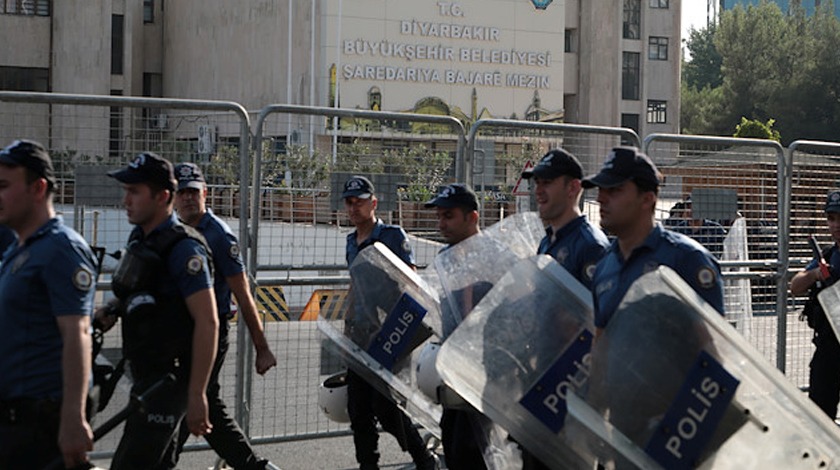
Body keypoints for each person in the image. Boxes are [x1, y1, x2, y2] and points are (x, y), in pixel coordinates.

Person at [103, 152, 219, 469]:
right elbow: (140, 289)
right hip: (145, 374)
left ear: (162, 196)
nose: (126, 200)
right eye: (125, 191)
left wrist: (197, 395)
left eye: (134, 192)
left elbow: (208, 322)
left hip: (169, 381)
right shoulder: (142, 236)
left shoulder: (185, 249)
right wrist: (110, 310)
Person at [172, 162, 277, 469]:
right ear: (174, 197)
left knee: (190, 401)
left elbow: (243, 294)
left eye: (194, 192)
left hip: (210, 331)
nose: (189, 198)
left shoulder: (218, 235)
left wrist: (262, 347)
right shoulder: (175, 230)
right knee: (202, 405)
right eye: (183, 192)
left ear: (205, 194)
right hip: (182, 333)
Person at [0, 139, 96, 469]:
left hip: (40, 426)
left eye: (3, 186)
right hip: (13, 423)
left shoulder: (61, 249)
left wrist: (73, 417)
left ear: (38, 188)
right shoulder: (19, 249)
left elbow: (77, 333)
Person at [342, 175, 438, 470]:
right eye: (349, 202)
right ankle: (367, 465)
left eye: (360, 201)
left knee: (385, 406)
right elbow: (355, 283)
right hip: (359, 333)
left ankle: (423, 458)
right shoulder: (350, 241)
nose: (354, 207)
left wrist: (399, 326)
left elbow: (410, 281)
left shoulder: (392, 236)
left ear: (374, 202)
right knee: (358, 409)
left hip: (388, 332)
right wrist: (347, 319)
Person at [582, 146, 725, 336]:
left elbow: (716, 347)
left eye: (614, 190)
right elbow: (601, 344)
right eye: (601, 190)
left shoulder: (686, 259)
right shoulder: (604, 266)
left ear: (647, 199)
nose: (601, 198)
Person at [424, 183, 485, 470]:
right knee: (454, 448)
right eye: (439, 216)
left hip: (485, 383)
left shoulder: (493, 257)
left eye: (448, 216)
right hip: (452, 377)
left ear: (472, 217)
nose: (441, 224)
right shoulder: (443, 260)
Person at [523, 148, 609, 290]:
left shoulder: (590, 246)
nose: (538, 190)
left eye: (547, 182)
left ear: (573, 188)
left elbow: (592, 308)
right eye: (537, 182)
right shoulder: (547, 241)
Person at [790, 190, 840, 420]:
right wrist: (815, 276)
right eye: (831, 219)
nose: (836, 225)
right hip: (828, 348)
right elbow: (795, 285)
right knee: (820, 416)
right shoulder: (828, 256)